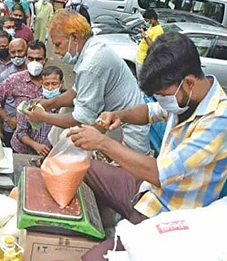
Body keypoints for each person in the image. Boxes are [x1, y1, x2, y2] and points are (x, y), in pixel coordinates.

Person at [75, 32, 227, 260]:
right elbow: (149, 112)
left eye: (163, 95)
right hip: (146, 191)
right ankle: (100, 229)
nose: (162, 101)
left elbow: (161, 173)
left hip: (168, 216)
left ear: (188, 82)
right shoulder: (185, 98)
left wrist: (103, 143)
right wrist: (119, 115)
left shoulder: (219, 122)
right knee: (83, 165)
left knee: (92, 258)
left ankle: (115, 237)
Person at [25, 10, 150, 154]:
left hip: (127, 135)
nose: (56, 51)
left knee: (72, 141)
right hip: (113, 122)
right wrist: (48, 103)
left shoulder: (91, 64)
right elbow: (77, 92)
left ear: (75, 38)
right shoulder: (92, 48)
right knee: (65, 115)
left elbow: (81, 118)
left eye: (58, 45)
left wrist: (43, 117)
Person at [0, 40, 48, 147]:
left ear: (45, 60)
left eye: (38, 59)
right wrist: (7, 119)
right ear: (26, 59)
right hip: (21, 143)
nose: (34, 62)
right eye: (31, 58)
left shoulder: (51, 80)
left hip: (45, 143)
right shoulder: (15, 79)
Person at [12, 66, 63, 155]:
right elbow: (21, 132)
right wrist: (35, 145)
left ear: (61, 84)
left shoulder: (65, 108)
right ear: (41, 84)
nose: (50, 88)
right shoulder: (31, 105)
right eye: (46, 84)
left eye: (54, 84)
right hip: (29, 152)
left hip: (55, 154)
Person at [0, 38, 28, 146]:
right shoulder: (5, 76)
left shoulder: (34, 73)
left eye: (20, 51)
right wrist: (1, 128)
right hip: (10, 128)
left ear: (26, 51)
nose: (17, 55)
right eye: (13, 52)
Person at [136, 9, 164, 75]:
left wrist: (145, 36)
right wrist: (143, 33)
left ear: (153, 18)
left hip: (144, 60)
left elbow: (153, 46)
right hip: (140, 58)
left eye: (147, 20)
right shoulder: (152, 26)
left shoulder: (158, 30)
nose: (147, 23)